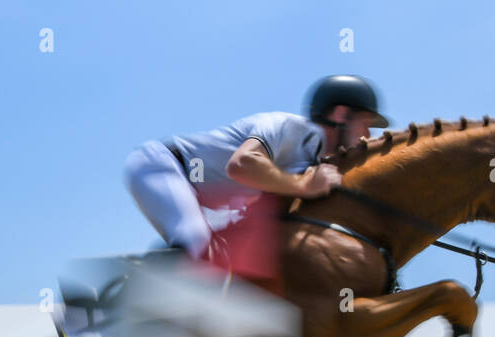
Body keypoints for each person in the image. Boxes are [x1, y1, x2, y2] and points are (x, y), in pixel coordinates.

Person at [123, 75, 390, 262]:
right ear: (341, 115)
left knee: (226, 258)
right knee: (196, 240)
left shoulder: (316, 160)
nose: (368, 134)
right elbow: (242, 165)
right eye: (365, 122)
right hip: (162, 165)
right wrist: (304, 186)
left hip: (202, 198)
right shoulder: (290, 127)